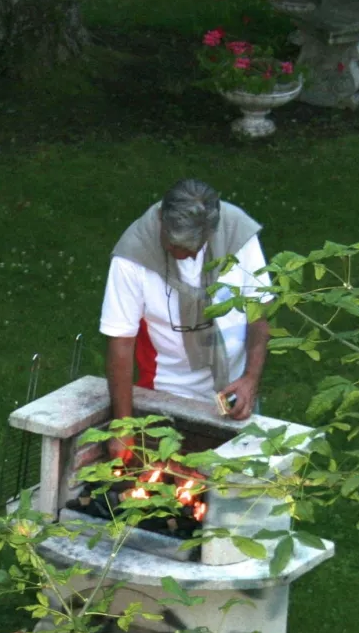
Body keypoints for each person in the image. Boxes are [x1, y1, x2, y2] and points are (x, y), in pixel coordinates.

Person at [99, 179, 272, 460]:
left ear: (210, 232)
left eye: (194, 247)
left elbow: (259, 313)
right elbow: (120, 342)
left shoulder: (237, 233)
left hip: (233, 391)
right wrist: (123, 426)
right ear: (161, 222)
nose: (185, 255)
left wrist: (250, 378)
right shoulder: (132, 257)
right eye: (174, 246)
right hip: (165, 394)